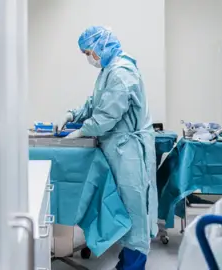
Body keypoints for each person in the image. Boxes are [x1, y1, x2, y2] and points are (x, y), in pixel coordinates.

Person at [57, 26, 157, 269]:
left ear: (101, 47)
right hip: (117, 150)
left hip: (128, 151)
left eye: (88, 52)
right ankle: (126, 260)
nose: (88, 58)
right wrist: (73, 115)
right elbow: (95, 103)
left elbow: (107, 115)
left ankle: (134, 264)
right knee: (122, 206)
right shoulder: (107, 71)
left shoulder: (122, 73)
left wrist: (82, 130)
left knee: (134, 209)